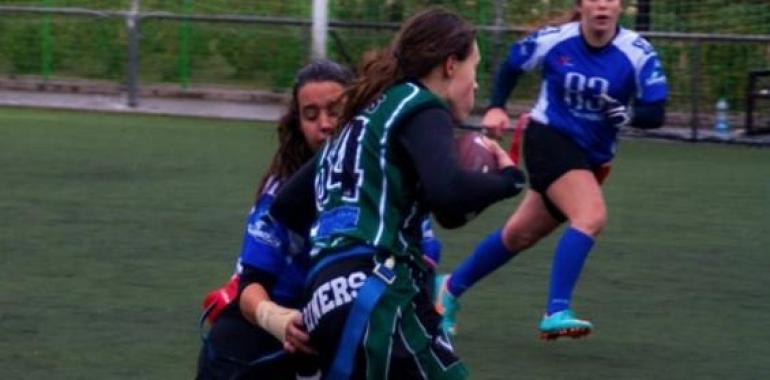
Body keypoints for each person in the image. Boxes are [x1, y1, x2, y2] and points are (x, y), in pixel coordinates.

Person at [269, 7, 526, 379]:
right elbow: (450, 194)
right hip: (379, 289)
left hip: (323, 299)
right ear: (451, 65)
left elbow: (288, 206)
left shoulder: (362, 121)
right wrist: (510, 181)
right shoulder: (419, 104)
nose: (476, 83)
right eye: (475, 67)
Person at [435, 0, 668, 340]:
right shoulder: (554, 40)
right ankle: (556, 309)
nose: (602, 5)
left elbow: (656, 112)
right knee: (590, 215)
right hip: (549, 140)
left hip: (591, 159)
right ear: (581, 5)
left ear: (620, 6)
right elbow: (513, 63)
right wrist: (498, 106)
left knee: (519, 235)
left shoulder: (638, 52)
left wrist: (629, 115)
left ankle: (449, 288)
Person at [196, 59, 352, 379]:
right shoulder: (282, 191)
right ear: (298, 124)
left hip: (336, 336)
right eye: (311, 115)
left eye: (334, 110)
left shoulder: (383, 180)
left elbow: (425, 253)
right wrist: (280, 321)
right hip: (262, 342)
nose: (324, 123)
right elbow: (250, 288)